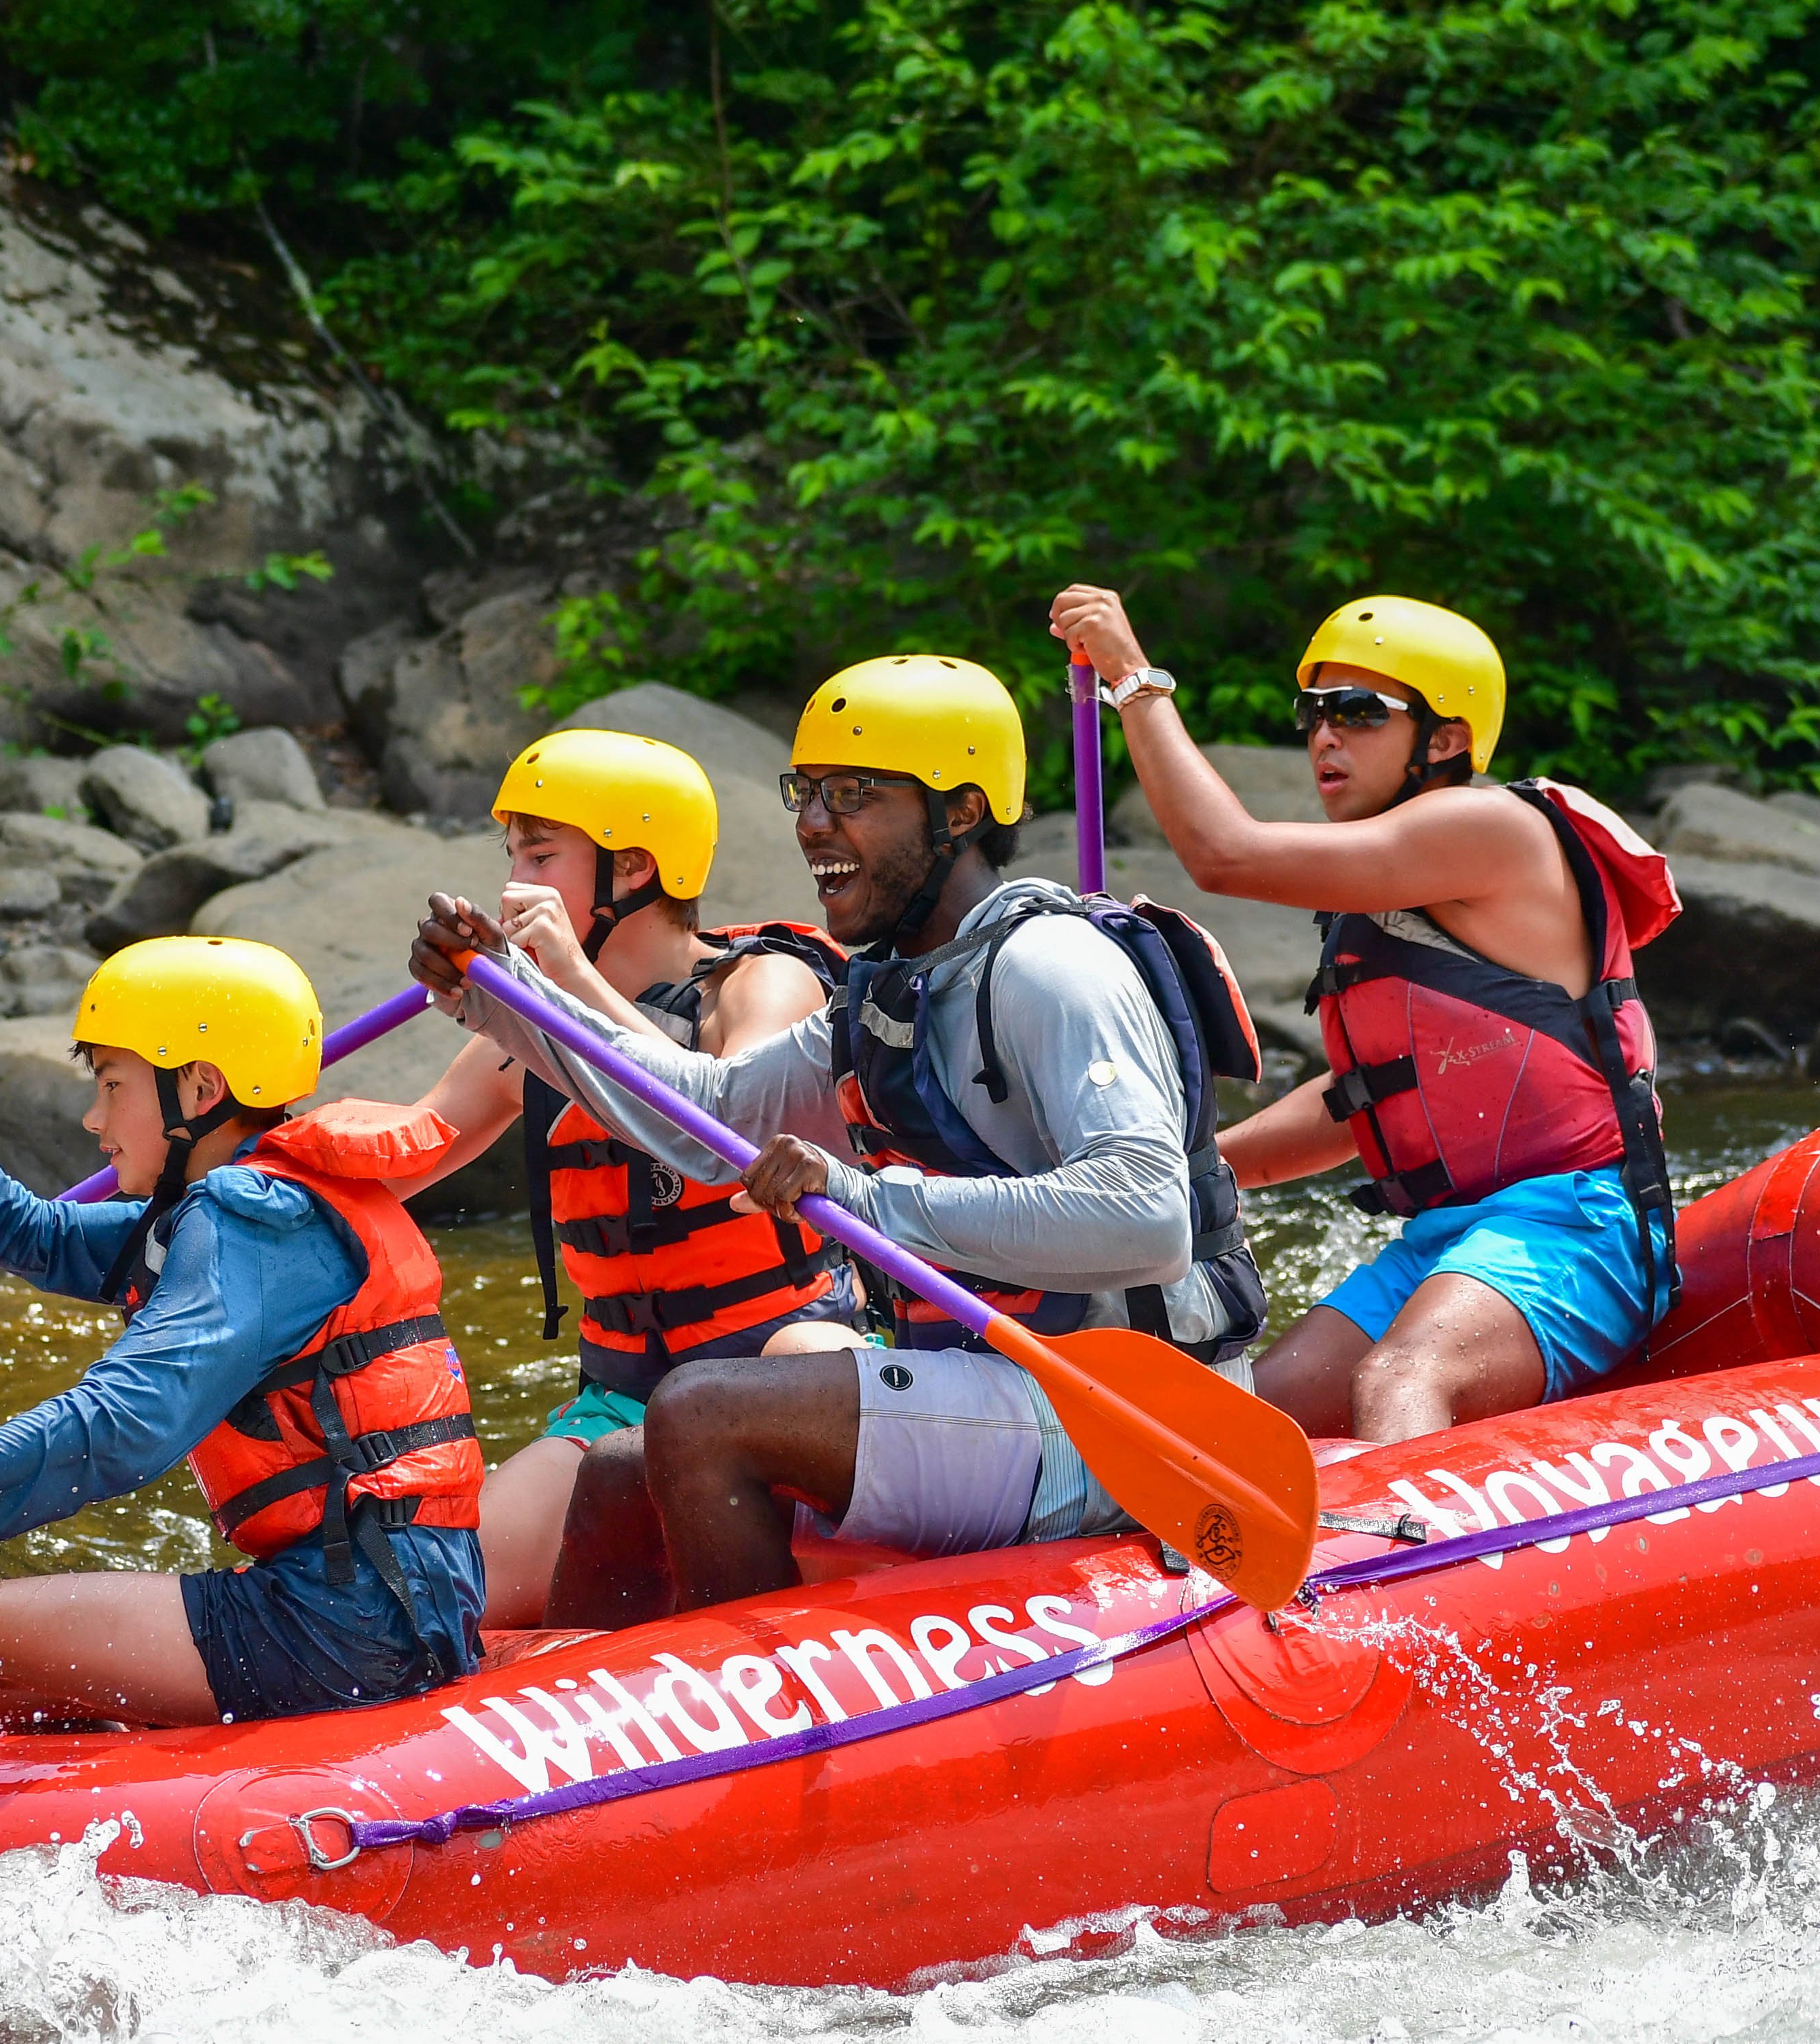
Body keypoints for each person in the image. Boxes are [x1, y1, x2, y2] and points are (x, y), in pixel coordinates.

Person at [416, 655, 1266, 1622]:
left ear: (960, 813)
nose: (814, 825)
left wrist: (864, 1197)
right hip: (996, 1386)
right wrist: (501, 1001)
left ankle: (756, 1721)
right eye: (807, 793)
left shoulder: (1051, 967)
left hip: (1117, 1407)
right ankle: (586, 1728)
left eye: (856, 795)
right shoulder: (888, 992)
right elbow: (712, 1123)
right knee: (621, 1465)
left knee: (698, 1414)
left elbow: (1146, 1217)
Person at [0, 938, 486, 1732]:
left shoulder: (254, 1224)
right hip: (387, 1596)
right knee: (10, 1691)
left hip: (351, 1619)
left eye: (111, 1084)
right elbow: (39, 1235)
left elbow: (117, 1428)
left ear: (200, 1086)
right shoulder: (244, 1203)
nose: (95, 1119)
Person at [1045, 583, 1679, 1443]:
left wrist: (1132, 677)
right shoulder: (1388, 893)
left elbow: (1224, 854)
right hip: (1447, 1241)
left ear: (1446, 740)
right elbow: (1359, 1099)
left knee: (1399, 1374)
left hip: (1580, 1227)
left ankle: (1410, 1572)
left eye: (1357, 710)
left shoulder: (1489, 827)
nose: (1324, 735)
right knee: (1240, 1425)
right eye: (1311, 712)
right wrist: (1193, 1170)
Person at [375, 727, 861, 1625]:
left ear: (633, 869)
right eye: (513, 854)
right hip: (621, 1400)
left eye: (541, 855)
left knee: (814, 1379)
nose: (513, 884)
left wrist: (562, 975)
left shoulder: (762, 986)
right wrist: (239, 1165)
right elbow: (406, 1152)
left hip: (785, 1367)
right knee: (435, 1601)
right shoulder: (528, 1034)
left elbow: (728, 1122)